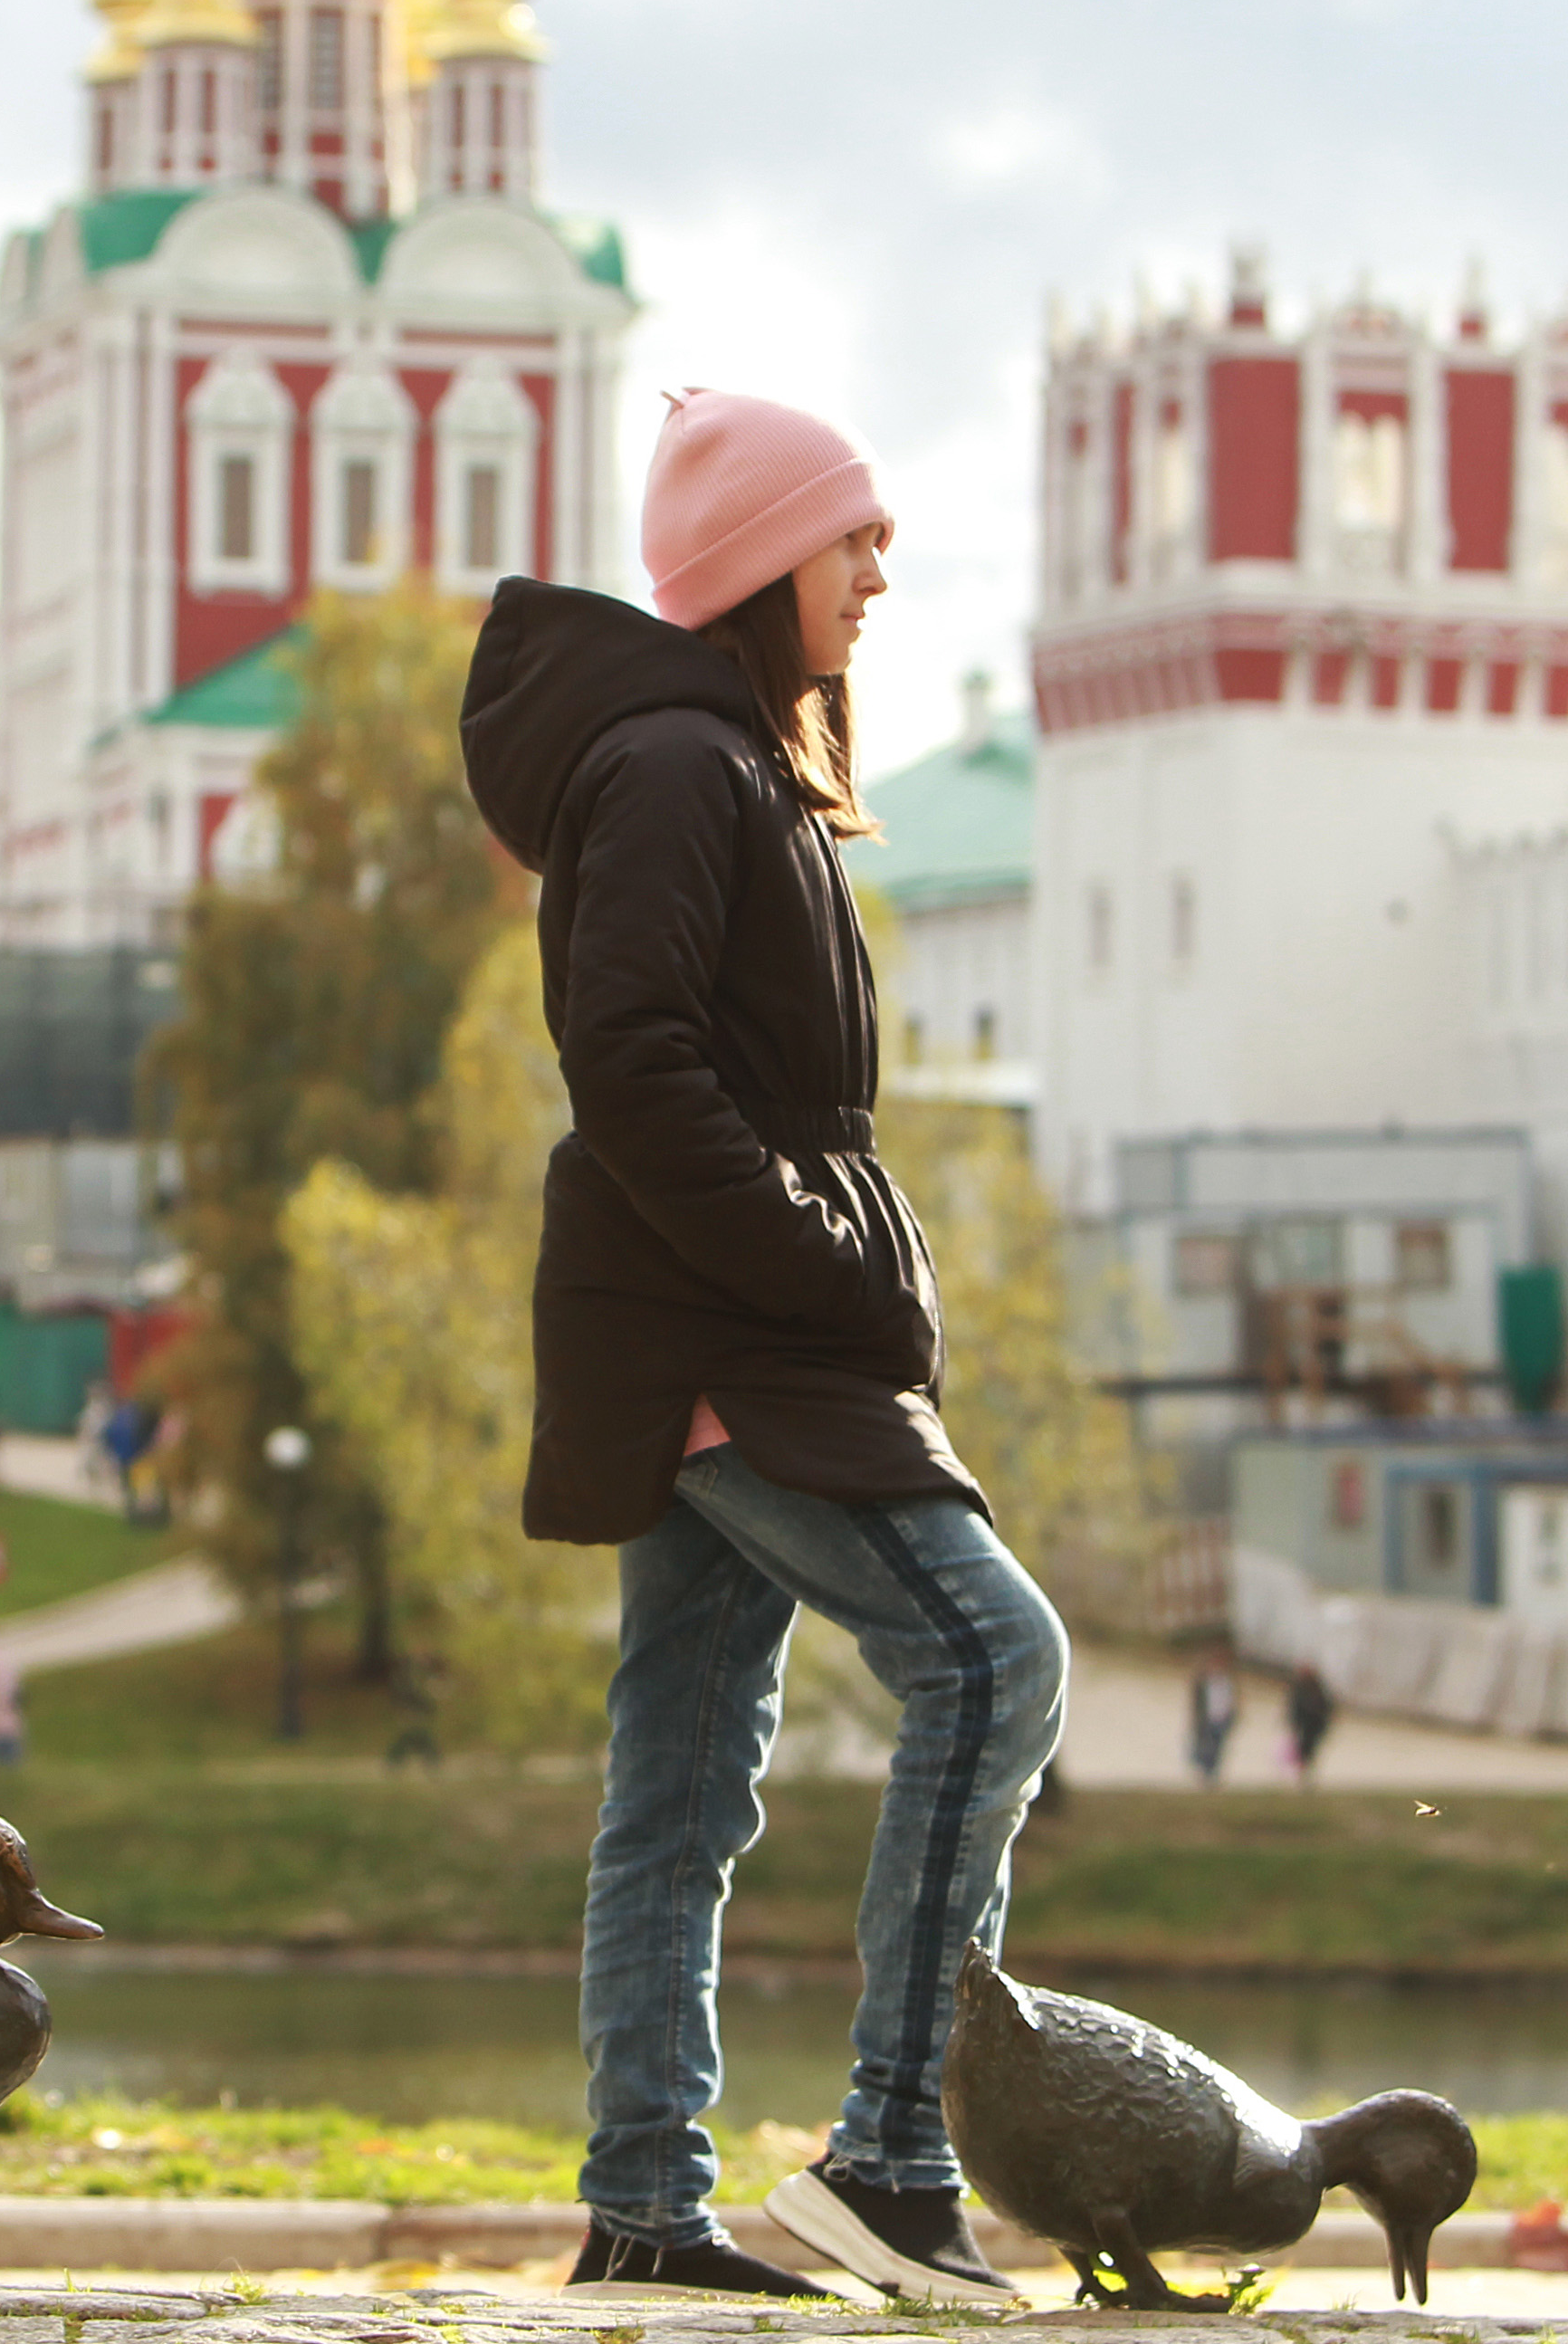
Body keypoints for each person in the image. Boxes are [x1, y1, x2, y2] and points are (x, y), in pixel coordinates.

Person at [459, 388, 1070, 2305]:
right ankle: (891, 2159)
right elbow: (632, 1063)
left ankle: (646, 2206)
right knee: (991, 1655)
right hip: (732, 1336)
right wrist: (814, 1258)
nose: (880, 572)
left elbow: (686, 1065)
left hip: (715, 1330)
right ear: (754, 565)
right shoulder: (672, 765)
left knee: (683, 1779)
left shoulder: (724, 760)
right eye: (852, 540)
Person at [1184, 1646, 1240, 1787]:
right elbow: (1196, 1701)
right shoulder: (1203, 1681)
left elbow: (1233, 1700)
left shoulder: (1228, 1682)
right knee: (1205, 1747)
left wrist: (1233, 1716)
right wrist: (1196, 1718)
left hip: (1222, 1719)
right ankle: (1205, 1775)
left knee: (1218, 1749)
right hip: (1207, 1720)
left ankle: (1212, 1776)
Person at [1284, 1660, 1336, 1786]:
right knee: (1303, 1751)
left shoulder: (1317, 1687)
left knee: (1309, 1751)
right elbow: (1294, 1707)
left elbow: (1327, 1705)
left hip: (1315, 1725)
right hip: (1305, 1725)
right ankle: (1301, 1775)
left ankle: (1304, 1775)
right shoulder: (1300, 1687)